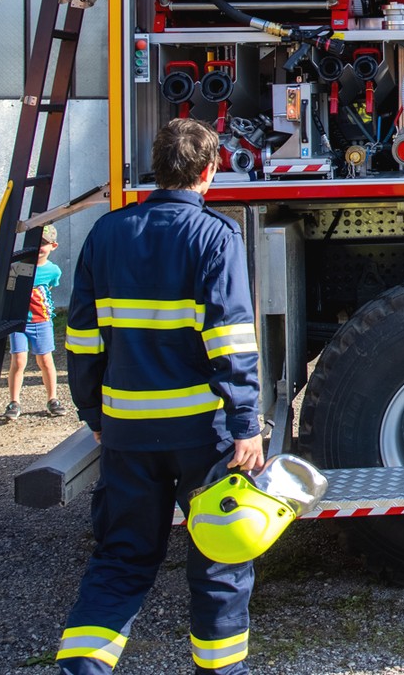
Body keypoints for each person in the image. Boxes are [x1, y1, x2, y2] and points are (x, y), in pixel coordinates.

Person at [57, 118, 264, 675]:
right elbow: (231, 341)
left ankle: (82, 668)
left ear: (158, 166)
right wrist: (246, 423)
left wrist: (92, 412)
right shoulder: (215, 236)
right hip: (202, 435)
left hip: (127, 431)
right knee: (219, 559)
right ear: (210, 170)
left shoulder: (107, 233)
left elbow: (81, 338)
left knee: (121, 558)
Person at [4, 223, 66, 419]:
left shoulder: (53, 270)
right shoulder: (17, 267)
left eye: (44, 243)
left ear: (53, 246)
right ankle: (14, 401)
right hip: (18, 320)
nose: (40, 247)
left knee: (46, 360)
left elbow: (50, 289)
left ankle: (53, 398)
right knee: (18, 360)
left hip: (41, 320)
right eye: (37, 242)